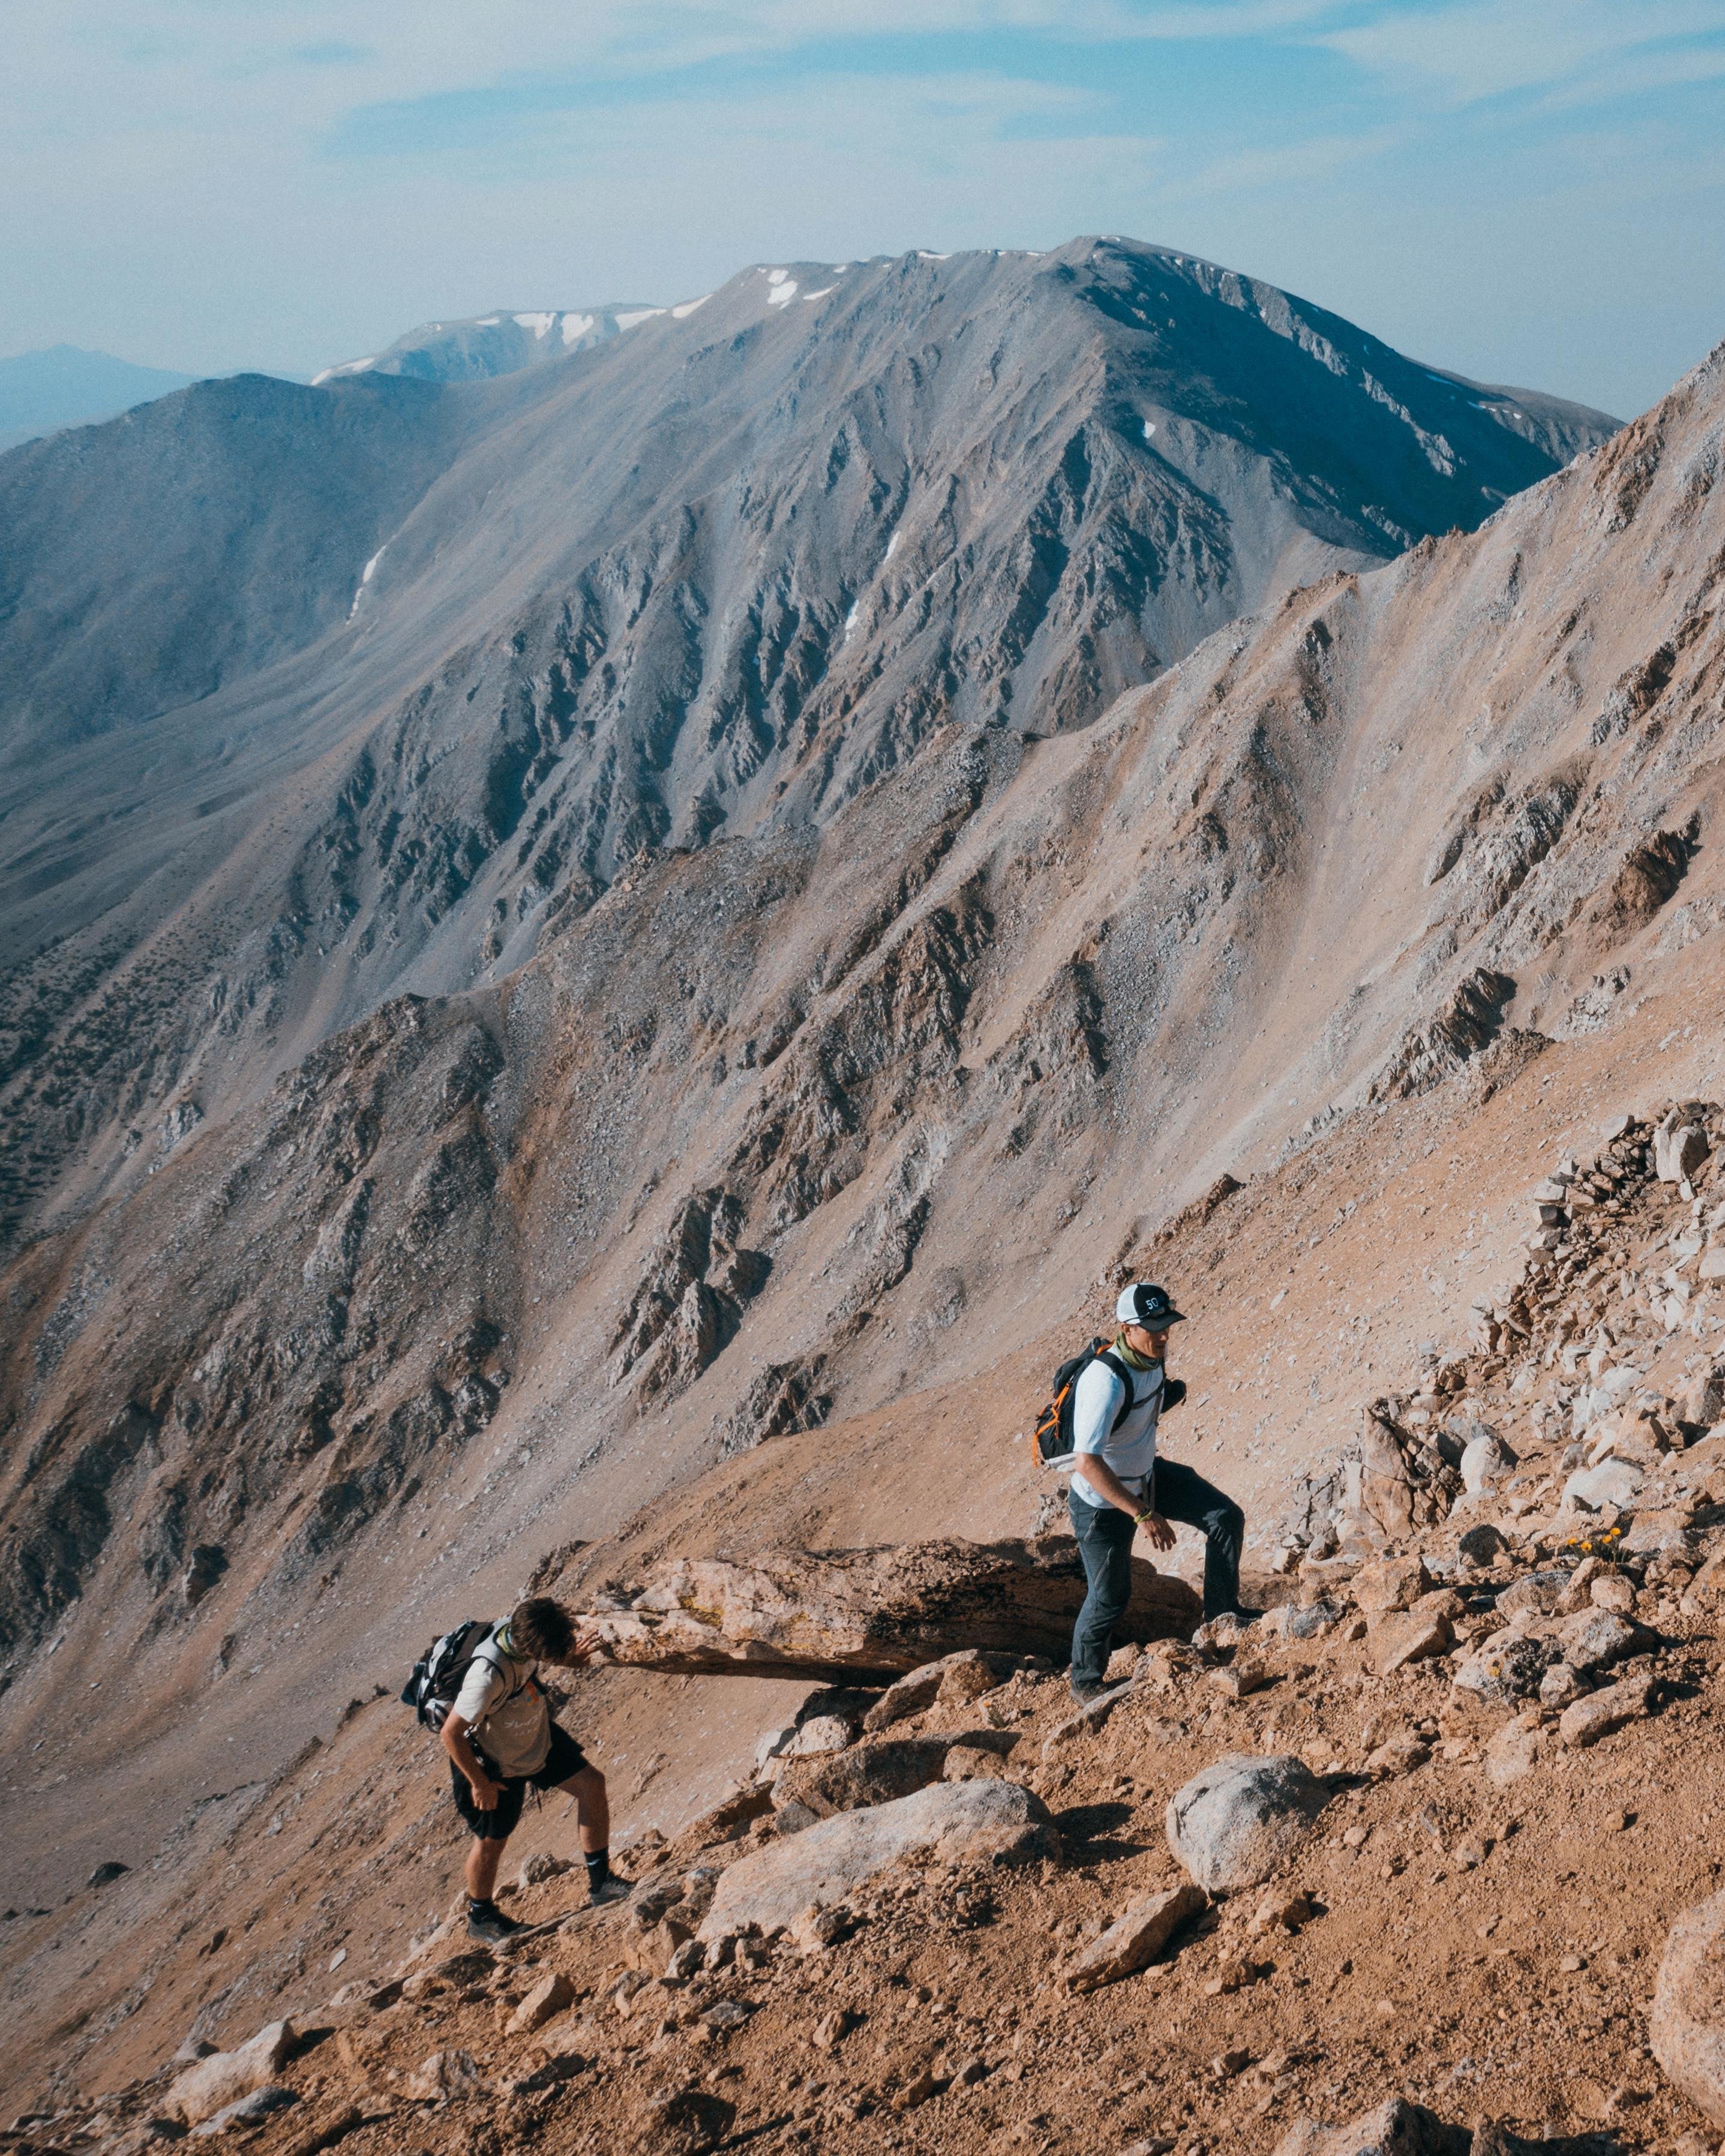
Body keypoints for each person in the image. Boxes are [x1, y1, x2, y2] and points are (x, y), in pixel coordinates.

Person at [1067, 1281, 1245, 1701]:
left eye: (1166, 1325)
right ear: (1127, 1329)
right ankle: (1085, 1682)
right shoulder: (1105, 1381)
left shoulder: (1150, 1360)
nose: (1164, 1335)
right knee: (1110, 1597)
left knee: (1225, 1517)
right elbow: (1087, 1462)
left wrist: (1166, 1397)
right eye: (1153, 1328)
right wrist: (1142, 1514)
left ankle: (1222, 1617)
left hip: (1147, 1477)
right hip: (1103, 1503)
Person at [441, 1595, 628, 1940]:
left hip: (534, 1735)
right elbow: (450, 1734)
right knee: (492, 1840)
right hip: (493, 1759)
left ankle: (601, 1883)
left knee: (591, 1784)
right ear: (533, 1647)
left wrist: (568, 1659)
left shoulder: (520, 1634)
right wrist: (479, 1783)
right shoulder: (486, 1676)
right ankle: (481, 1917)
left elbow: (533, 1660)